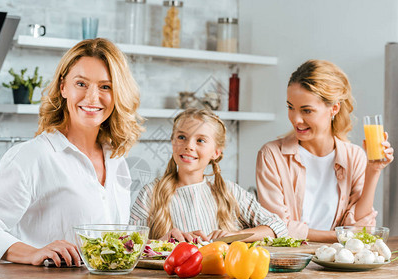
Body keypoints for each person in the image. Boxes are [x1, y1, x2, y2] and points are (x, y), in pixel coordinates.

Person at [0, 38, 144, 266]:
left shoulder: (116, 160)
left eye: (105, 86)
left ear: (117, 94)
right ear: (63, 86)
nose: (92, 97)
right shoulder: (34, 156)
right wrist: (30, 253)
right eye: (81, 84)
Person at [256, 59, 394, 242]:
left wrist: (374, 171)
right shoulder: (272, 155)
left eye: (306, 111)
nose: (296, 119)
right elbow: (277, 227)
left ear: (334, 108)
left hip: (340, 264)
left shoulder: (354, 156)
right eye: (291, 107)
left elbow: (362, 224)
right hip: (291, 263)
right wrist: (340, 237)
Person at [130, 109, 287, 242]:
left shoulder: (230, 192)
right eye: (182, 137)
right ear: (172, 141)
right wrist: (163, 241)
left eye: (200, 140)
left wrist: (236, 235)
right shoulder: (150, 194)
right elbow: (129, 245)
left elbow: (278, 226)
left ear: (216, 152)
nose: (189, 146)